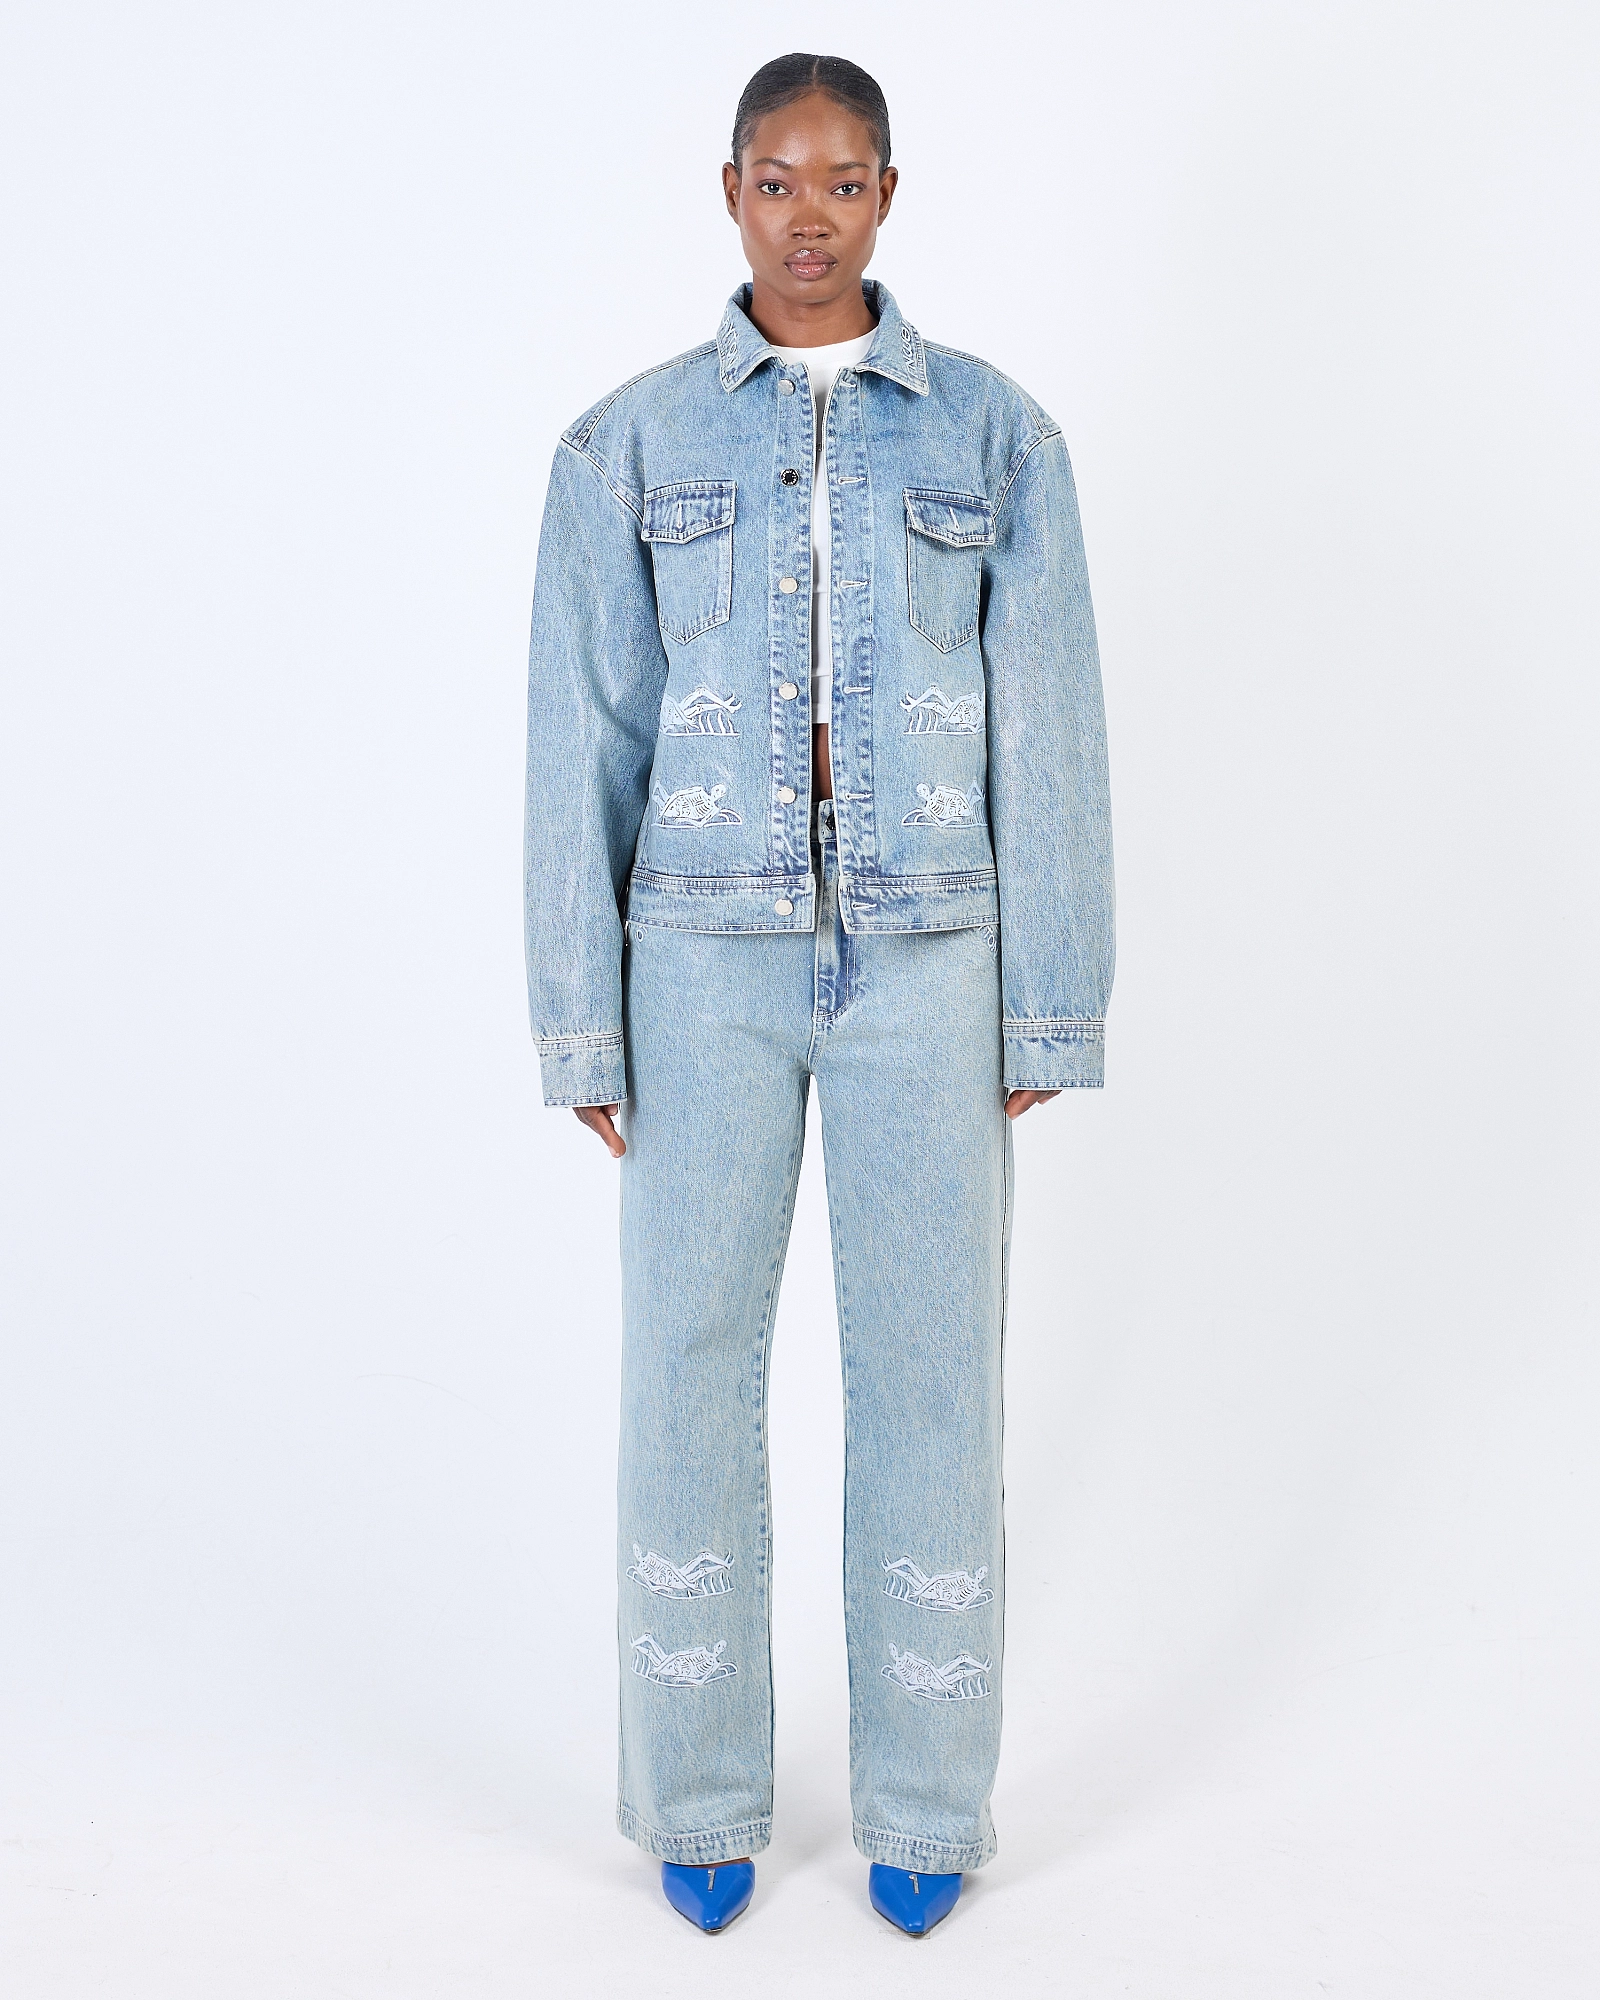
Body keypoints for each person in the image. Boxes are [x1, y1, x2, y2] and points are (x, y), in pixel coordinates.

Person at [524, 52, 1113, 1937]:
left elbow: (1050, 726)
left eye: (841, 181)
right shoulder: (625, 448)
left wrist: (1049, 1001)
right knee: (684, 1376)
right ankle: (697, 1794)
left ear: (887, 197)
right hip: (697, 966)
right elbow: (585, 737)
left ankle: (926, 1810)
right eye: (776, 180)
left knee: (934, 1380)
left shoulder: (997, 440)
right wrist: (582, 1016)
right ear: (729, 192)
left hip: (933, 966)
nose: (808, 215)